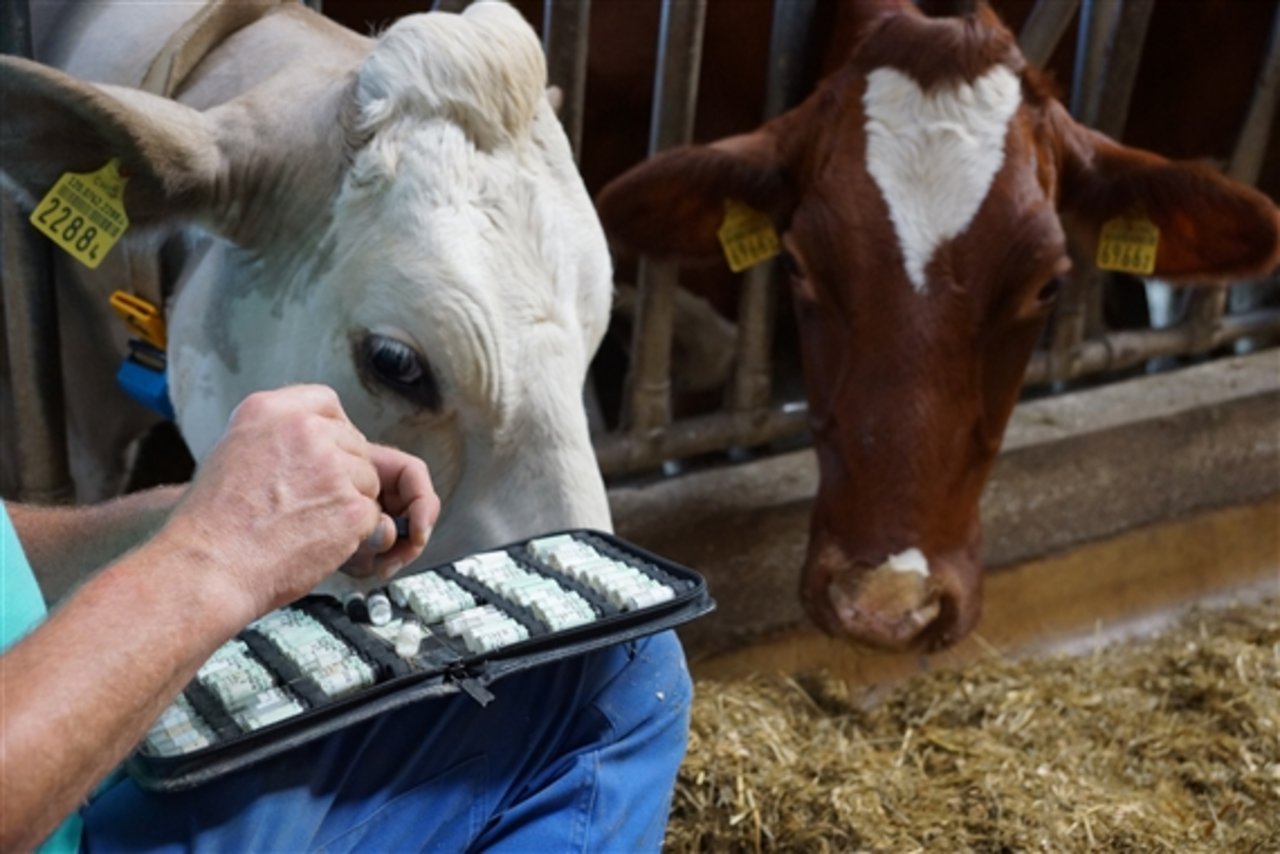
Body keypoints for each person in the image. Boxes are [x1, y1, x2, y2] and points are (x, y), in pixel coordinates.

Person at [1, 384, 692, 852]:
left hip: (85, 745)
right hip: (55, 817)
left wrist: (216, 509)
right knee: (617, 676)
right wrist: (213, 552)